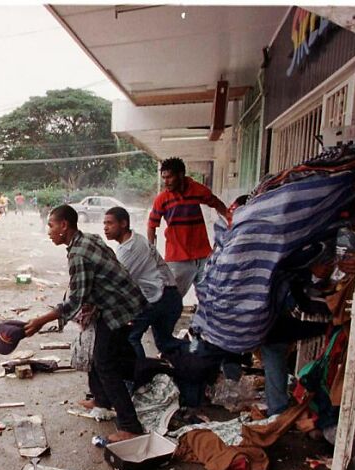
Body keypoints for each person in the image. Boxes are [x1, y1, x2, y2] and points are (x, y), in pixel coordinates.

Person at [24, 205, 147, 442]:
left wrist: (40, 321)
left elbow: (74, 302)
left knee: (105, 363)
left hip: (118, 309)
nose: (48, 231)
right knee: (100, 356)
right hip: (116, 303)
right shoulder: (88, 239)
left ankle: (130, 426)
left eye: (51, 226)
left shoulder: (78, 254)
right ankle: (102, 400)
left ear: (64, 226)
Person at [103, 206, 183, 359]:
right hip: (168, 295)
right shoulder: (135, 239)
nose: (105, 228)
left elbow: (118, 284)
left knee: (131, 337)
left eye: (110, 223)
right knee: (165, 343)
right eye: (104, 224)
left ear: (123, 223)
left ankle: (138, 376)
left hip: (160, 297)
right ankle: (198, 354)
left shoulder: (130, 248)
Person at [147, 158, 229, 297]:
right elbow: (151, 226)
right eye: (164, 178)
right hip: (177, 259)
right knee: (172, 299)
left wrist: (231, 220)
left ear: (180, 175)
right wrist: (151, 252)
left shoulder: (197, 189)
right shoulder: (162, 199)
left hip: (203, 256)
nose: (166, 182)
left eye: (169, 177)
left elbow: (216, 203)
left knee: (209, 297)